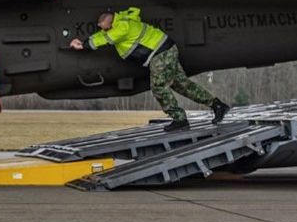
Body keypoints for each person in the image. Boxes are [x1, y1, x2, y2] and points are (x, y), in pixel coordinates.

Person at [70, 8, 229, 132]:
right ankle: (217, 105)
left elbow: (106, 38)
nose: (101, 29)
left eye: (103, 26)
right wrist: (87, 41)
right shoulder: (122, 20)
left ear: (110, 23)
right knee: (181, 84)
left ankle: (180, 120)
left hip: (160, 53)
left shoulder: (122, 27)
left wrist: (84, 44)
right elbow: (104, 34)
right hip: (166, 49)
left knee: (158, 86)